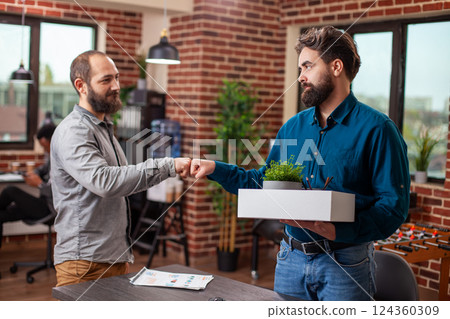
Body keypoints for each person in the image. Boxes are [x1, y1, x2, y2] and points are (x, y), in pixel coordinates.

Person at [190, 26, 410, 301]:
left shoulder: (378, 129)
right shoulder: (292, 128)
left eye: (307, 66)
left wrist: (337, 229)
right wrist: (215, 168)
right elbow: (264, 183)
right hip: (290, 259)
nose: (301, 77)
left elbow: (393, 207)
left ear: (336, 67)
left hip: (346, 264)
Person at [50, 50, 191, 287]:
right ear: (81, 85)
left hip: (114, 258)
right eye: (106, 80)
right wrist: (169, 165)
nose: (116, 86)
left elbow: (122, 180)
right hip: (84, 264)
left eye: (116, 78)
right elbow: (106, 182)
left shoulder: (103, 127)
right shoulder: (75, 131)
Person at [0, 123, 56, 247]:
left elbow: (62, 192)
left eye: (45, 146)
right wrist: (33, 173)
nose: (44, 150)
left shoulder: (64, 158)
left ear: (53, 140)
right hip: (43, 202)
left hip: (51, 208)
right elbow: (42, 169)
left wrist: (40, 184)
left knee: (10, 190)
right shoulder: (52, 156)